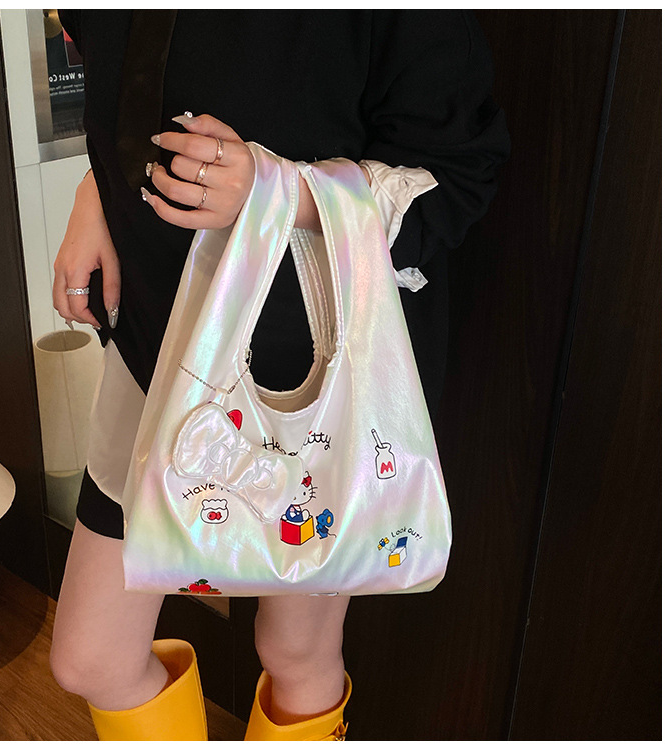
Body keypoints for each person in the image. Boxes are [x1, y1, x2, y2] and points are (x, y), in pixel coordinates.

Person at [49, 10, 509, 741]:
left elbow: (455, 175)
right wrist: (96, 189)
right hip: (159, 345)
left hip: (319, 377)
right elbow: (133, 76)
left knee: (296, 651)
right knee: (92, 657)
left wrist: (275, 192)